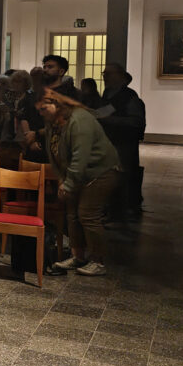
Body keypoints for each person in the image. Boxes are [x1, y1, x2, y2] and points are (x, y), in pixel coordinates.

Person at [38, 89, 121, 276]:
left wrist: (68, 184)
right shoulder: (52, 122)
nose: (41, 110)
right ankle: (78, 256)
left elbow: (80, 156)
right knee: (72, 214)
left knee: (87, 214)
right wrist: (62, 179)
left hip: (100, 171)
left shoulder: (80, 120)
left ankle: (98, 261)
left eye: (45, 106)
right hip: (77, 174)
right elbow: (54, 154)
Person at [98, 63, 146, 222]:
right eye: (104, 73)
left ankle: (123, 209)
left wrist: (110, 120)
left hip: (124, 142)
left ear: (120, 76)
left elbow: (136, 122)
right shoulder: (108, 94)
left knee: (123, 175)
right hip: (109, 141)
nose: (105, 77)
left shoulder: (129, 96)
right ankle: (111, 208)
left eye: (109, 74)